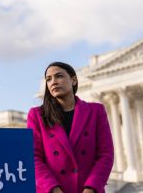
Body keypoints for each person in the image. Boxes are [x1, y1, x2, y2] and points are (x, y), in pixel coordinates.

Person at [27, 62, 114, 193]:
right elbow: (33, 157)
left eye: (59, 76)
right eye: (48, 79)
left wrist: (91, 188)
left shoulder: (96, 111)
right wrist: (54, 189)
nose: (53, 82)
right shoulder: (37, 115)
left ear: (73, 80)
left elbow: (106, 154)